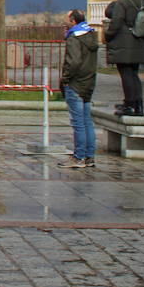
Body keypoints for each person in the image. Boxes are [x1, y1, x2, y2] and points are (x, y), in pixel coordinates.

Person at [105, 0, 144, 117]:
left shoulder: (122, 3)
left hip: (123, 46)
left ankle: (129, 105)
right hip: (139, 43)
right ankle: (138, 105)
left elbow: (116, 22)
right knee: (134, 75)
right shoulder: (142, 1)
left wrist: (108, 35)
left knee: (126, 75)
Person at [59, 9, 100, 169]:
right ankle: (89, 156)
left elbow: (74, 61)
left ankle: (79, 156)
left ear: (73, 21)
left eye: (66, 18)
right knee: (87, 121)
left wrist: (66, 78)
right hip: (88, 82)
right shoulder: (90, 35)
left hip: (75, 83)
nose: (64, 21)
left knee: (78, 123)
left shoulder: (74, 38)